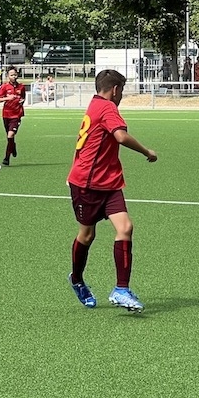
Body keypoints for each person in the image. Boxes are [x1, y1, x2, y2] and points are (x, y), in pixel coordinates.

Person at [67, 69, 158, 313]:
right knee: (87, 235)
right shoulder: (107, 107)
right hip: (87, 183)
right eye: (122, 91)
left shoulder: (95, 104)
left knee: (125, 227)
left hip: (109, 182)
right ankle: (77, 279)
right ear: (115, 89)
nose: (121, 96)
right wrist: (147, 151)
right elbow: (120, 137)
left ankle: (121, 289)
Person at [0, 67, 26, 166]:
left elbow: (23, 97)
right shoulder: (4, 86)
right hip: (6, 114)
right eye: (11, 75)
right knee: (9, 138)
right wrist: (7, 98)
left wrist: (21, 101)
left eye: (15, 75)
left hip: (16, 114)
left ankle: (6, 158)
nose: (14, 76)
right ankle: (13, 146)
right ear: (8, 76)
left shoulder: (21, 87)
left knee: (11, 135)